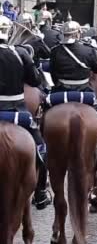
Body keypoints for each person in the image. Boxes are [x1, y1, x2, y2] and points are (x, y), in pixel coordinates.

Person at [0, 15, 51, 209]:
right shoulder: (20, 53)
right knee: (41, 148)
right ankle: (40, 192)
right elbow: (35, 81)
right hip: (16, 112)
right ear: (10, 32)